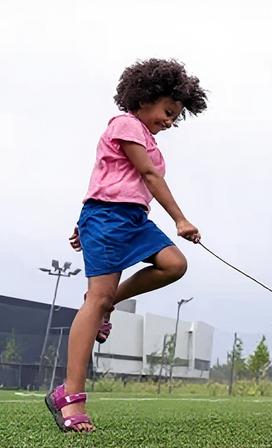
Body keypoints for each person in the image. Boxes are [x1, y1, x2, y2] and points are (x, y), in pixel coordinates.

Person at [45, 58, 208, 432]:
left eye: (175, 117)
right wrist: (180, 219)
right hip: (107, 219)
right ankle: (70, 394)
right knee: (96, 297)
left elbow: (111, 176)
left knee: (173, 264)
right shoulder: (124, 124)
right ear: (145, 97)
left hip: (133, 220)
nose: (170, 121)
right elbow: (146, 175)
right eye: (168, 111)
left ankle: (106, 305)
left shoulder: (148, 139)